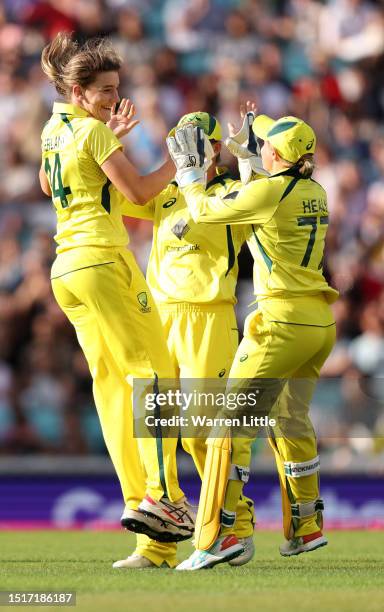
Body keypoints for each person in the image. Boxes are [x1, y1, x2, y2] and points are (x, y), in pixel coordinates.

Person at [39, 32, 194, 569]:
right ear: (78, 91)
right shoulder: (91, 132)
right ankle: (165, 498)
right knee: (156, 377)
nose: (113, 99)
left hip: (67, 271)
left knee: (113, 391)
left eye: (116, 89)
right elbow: (140, 194)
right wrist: (183, 162)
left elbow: (46, 182)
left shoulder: (55, 129)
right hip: (104, 263)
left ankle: (147, 531)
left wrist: (101, 134)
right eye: (105, 90)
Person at [166, 112, 338, 570]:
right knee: (291, 420)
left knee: (229, 426)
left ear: (277, 154)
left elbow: (205, 210)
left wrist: (189, 176)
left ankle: (220, 535)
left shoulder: (268, 190)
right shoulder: (314, 190)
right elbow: (266, 198)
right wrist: (246, 159)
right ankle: (306, 526)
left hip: (280, 323)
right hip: (318, 323)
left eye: (263, 142)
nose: (257, 144)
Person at [113, 112, 256, 568]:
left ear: (215, 148)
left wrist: (247, 155)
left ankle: (234, 527)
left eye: (194, 141)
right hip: (158, 316)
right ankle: (155, 546)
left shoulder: (230, 194)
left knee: (202, 434)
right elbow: (122, 193)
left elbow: (261, 193)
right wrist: (110, 142)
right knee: (154, 428)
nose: (183, 149)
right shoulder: (167, 191)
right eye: (177, 140)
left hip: (209, 317)